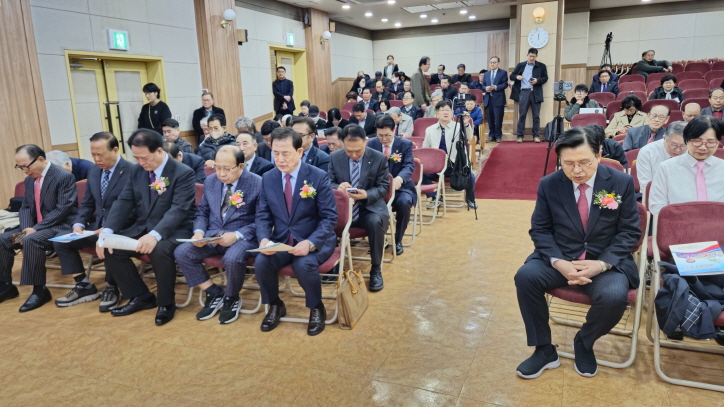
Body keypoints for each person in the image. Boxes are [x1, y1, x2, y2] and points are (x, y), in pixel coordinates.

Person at [514, 127, 641, 379]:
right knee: (526, 277)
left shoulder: (620, 182)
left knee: (615, 296)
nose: (577, 170)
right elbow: (540, 229)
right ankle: (544, 349)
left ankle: (584, 341)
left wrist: (602, 264)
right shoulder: (550, 184)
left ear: (599, 154)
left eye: (584, 162)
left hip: (603, 261)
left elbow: (629, 232)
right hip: (562, 257)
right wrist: (559, 262)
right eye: (568, 163)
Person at [97, 129, 196, 326]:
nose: (141, 162)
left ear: (159, 151)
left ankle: (166, 304)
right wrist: (107, 231)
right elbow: (124, 201)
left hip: (175, 229)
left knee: (158, 250)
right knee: (111, 247)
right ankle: (141, 296)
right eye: (137, 158)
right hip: (143, 227)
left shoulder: (182, 172)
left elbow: (178, 210)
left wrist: (155, 235)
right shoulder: (137, 171)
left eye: (145, 158)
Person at [254, 127, 337, 336]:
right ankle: (275, 304)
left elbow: (329, 218)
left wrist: (310, 243)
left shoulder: (318, 176)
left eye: (285, 153)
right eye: (275, 153)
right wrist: (264, 239)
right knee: (262, 262)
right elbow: (263, 215)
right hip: (283, 240)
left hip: (315, 239)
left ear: (300, 152)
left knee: (303, 264)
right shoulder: (268, 177)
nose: (280, 159)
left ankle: (316, 307)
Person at [174, 145, 261, 324]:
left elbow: (262, 220)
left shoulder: (257, 183)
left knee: (232, 258)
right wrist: (199, 232)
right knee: (182, 252)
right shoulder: (211, 180)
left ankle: (231, 297)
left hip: (243, 237)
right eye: (217, 167)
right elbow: (203, 212)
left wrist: (236, 235)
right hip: (213, 235)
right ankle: (213, 292)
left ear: (241, 166)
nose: (221, 173)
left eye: (227, 169)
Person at [53, 132, 131, 311]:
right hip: (96, 227)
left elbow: (135, 208)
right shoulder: (94, 170)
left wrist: (109, 228)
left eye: (100, 154)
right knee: (62, 241)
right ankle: (83, 285)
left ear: (115, 150)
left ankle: (112, 286)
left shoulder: (131, 171)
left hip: (122, 227)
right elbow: (88, 202)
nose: (96, 159)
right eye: (93, 154)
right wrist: (79, 224)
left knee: (108, 242)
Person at [0, 145, 77, 312]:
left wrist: (35, 229)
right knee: (3, 239)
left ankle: (39, 291)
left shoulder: (63, 176)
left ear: (41, 160)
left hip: (59, 226)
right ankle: (5, 286)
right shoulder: (29, 180)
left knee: (31, 240)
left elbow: (62, 209)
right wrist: (27, 228)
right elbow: (26, 207)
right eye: (20, 167)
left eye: (26, 166)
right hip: (34, 228)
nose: (24, 171)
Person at [328, 124, 390, 291]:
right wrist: (338, 188)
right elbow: (328, 182)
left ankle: (376, 269)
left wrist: (366, 194)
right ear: (342, 143)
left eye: (358, 151)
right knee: (325, 219)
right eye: (349, 151)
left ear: (366, 142)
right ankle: (333, 263)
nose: (354, 155)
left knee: (375, 222)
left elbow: (384, 187)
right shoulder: (335, 157)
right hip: (343, 209)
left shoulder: (378, 158)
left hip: (367, 208)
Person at [649, 116, 724, 215]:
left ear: (718, 142)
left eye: (710, 142)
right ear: (686, 139)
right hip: (678, 222)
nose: (703, 147)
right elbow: (656, 205)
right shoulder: (667, 167)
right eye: (697, 141)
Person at [367, 116, 415, 256]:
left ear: (394, 131)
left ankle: (398, 240)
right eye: (380, 135)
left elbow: (409, 165)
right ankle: (378, 240)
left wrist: (399, 179)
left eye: (387, 135)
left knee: (404, 203)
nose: (383, 139)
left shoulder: (405, 144)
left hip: (400, 187)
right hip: (378, 188)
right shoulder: (371, 144)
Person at [422, 100, 477, 209]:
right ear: (437, 113)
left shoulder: (458, 126)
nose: (445, 112)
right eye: (442, 110)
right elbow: (425, 149)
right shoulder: (430, 130)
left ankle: (470, 199)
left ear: (452, 113)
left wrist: (466, 124)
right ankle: (435, 196)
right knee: (418, 173)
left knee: (470, 175)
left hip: (455, 165)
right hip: (436, 166)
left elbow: (469, 138)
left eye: (448, 110)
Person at [510, 48, 548, 143]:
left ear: (536, 56)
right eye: (530, 56)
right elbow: (511, 76)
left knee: (536, 116)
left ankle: (536, 136)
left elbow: (545, 78)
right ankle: (520, 136)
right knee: (522, 115)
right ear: (527, 55)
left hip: (536, 92)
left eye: (533, 57)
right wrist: (517, 77)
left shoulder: (541, 66)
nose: (531, 58)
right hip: (524, 92)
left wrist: (537, 80)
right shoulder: (520, 65)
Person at [635, 121, 687, 189]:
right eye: (674, 145)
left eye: (683, 146)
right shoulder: (647, 152)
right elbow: (646, 186)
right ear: (664, 138)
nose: (678, 150)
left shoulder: (693, 151)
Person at [483, 56, 509, 143]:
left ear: (498, 63)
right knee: (490, 119)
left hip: (498, 99)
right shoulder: (486, 74)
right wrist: (485, 88)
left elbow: (505, 84)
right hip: (488, 99)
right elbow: (483, 85)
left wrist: (496, 87)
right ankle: (491, 135)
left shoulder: (503, 72)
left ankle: (498, 136)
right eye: (491, 62)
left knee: (498, 119)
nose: (492, 64)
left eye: (494, 62)